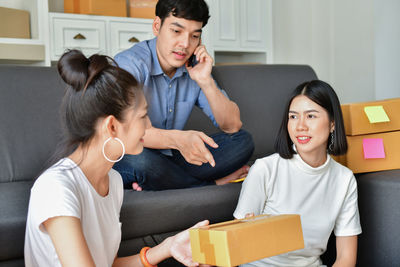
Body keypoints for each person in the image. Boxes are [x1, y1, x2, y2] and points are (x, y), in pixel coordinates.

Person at [24, 49, 209, 267]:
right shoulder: (56, 188)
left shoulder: (112, 181)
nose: (149, 125)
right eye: (143, 116)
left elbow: (107, 264)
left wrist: (167, 247)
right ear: (112, 126)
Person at [113, 0, 254, 191]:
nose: (185, 44)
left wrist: (205, 80)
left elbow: (232, 125)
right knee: (142, 162)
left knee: (242, 142)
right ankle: (210, 185)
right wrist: (179, 140)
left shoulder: (193, 68)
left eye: (194, 36)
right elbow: (126, 134)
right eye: (176, 31)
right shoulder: (129, 65)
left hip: (170, 158)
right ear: (157, 26)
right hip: (128, 153)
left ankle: (164, 180)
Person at [234, 80, 362, 266]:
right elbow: (237, 244)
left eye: (311, 116)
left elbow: (346, 257)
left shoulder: (344, 179)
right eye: (293, 117)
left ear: (332, 123)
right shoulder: (266, 169)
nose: (300, 126)